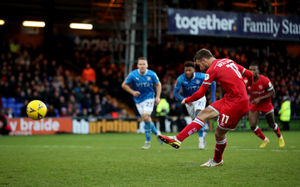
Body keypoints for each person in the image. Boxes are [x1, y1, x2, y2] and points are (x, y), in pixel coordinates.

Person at [158, 48, 253, 167]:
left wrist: (186, 100)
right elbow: (250, 74)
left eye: (199, 65)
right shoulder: (228, 61)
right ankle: (178, 139)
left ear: (203, 60)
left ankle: (217, 160)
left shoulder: (212, 69)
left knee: (219, 134)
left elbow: (200, 93)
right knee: (203, 114)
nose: (201, 69)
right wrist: (246, 87)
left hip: (237, 104)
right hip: (230, 99)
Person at [173, 61, 216, 149]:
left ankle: (200, 141)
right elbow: (175, 93)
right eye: (186, 70)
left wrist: (212, 98)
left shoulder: (201, 76)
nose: (187, 72)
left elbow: (213, 82)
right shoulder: (181, 79)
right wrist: (184, 100)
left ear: (194, 70)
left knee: (198, 116)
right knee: (196, 122)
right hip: (189, 101)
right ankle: (203, 134)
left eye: (189, 70)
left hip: (200, 98)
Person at [122, 57, 162, 149]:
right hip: (138, 100)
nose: (142, 66)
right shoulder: (133, 74)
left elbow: (158, 84)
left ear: (147, 65)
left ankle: (147, 142)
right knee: (146, 119)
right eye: (140, 64)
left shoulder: (152, 74)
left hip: (149, 98)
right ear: (137, 65)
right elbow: (124, 85)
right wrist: (133, 92)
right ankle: (157, 134)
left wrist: (158, 97)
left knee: (145, 117)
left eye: (144, 64)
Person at [245, 62, 285, 148]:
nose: (252, 71)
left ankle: (280, 137)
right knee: (252, 126)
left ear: (258, 71)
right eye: (250, 69)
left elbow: (272, 92)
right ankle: (265, 140)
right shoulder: (247, 80)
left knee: (272, 124)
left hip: (266, 104)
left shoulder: (265, 80)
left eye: (254, 70)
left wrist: (260, 98)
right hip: (254, 104)